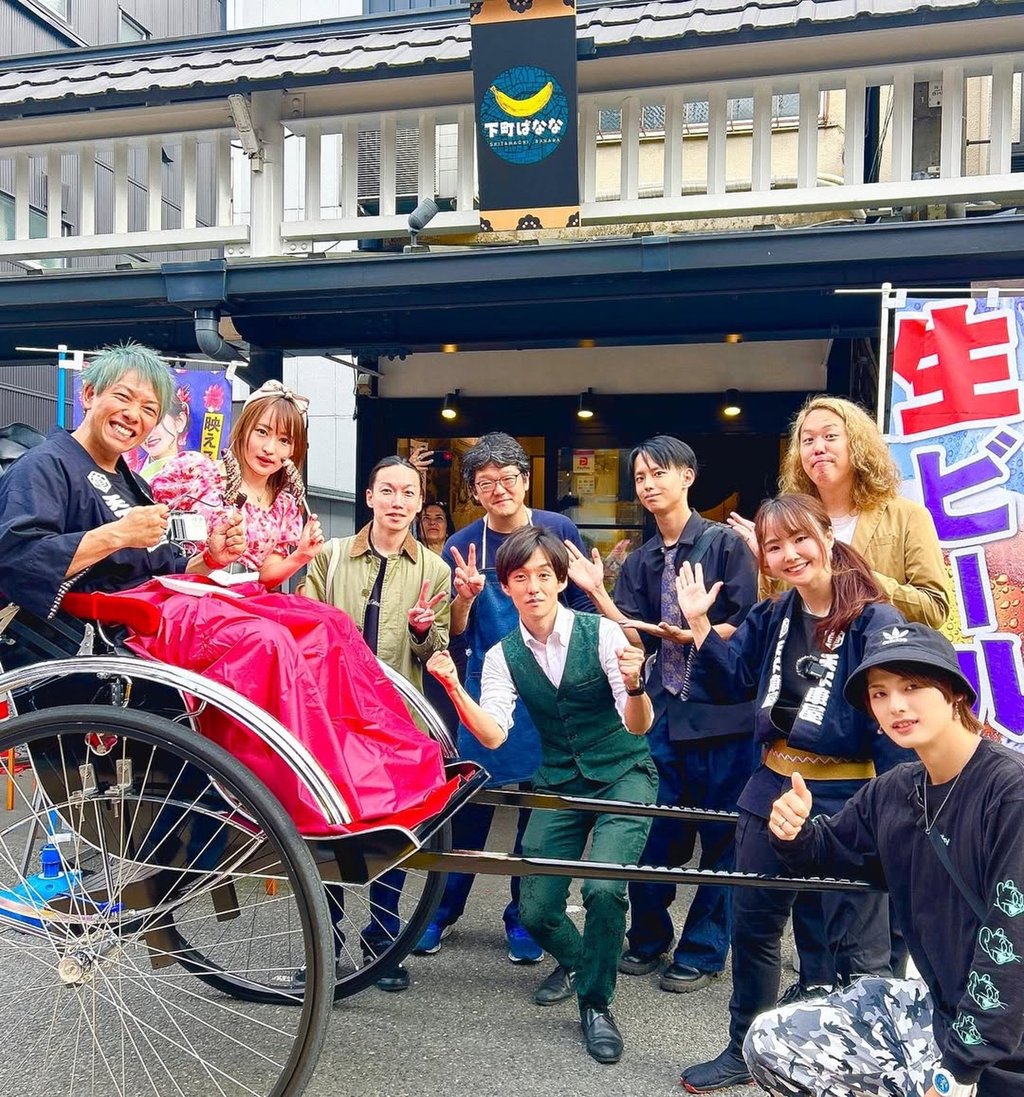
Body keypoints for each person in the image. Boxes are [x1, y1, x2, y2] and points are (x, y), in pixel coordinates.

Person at [0, 343, 446, 841]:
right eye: (124, 399)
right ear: (88, 394)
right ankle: (306, 791)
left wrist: (209, 556)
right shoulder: (46, 466)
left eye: (150, 409)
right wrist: (119, 534)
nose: (136, 417)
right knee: (267, 642)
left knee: (327, 624)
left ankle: (382, 773)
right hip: (125, 620)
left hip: (177, 594)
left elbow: (166, 559)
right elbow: (18, 558)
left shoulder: (126, 479)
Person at [676, 493, 907, 1093]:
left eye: (800, 539)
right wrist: (699, 623)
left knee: (857, 945)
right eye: (774, 547)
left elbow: (893, 722)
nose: (789, 554)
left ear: (827, 536)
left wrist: (901, 815)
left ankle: (864, 1067)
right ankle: (742, 1049)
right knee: (752, 924)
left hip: (847, 795)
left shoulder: (872, 621)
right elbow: (732, 677)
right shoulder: (775, 615)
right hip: (774, 782)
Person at [729, 394, 950, 995]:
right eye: (807, 439)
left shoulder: (902, 515)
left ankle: (856, 1044)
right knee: (771, 911)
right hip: (794, 734)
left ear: (858, 443)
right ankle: (786, 1024)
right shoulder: (782, 526)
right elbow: (775, 630)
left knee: (861, 920)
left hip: (870, 723)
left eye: (830, 435)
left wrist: (852, 580)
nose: (817, 448)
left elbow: (937, 606)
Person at [747, 622, 1024, 1097]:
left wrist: (957, 1073)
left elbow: (1013, 941)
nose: (895, 705)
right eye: (880, 693)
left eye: (912, 686)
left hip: (1006, 1039)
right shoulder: (894, 790)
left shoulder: (1010, 793)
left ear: (956, 692)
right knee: (771, 1042)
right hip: (942, 1009)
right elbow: (832, 851)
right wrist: (793, 832)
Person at [427, 527, 656, 1064]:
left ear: (559, 582)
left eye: (543, 576)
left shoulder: (601, 635)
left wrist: (638, 684)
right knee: (535, 909)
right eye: (520, 578)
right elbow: (494, 735)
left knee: (603, 890)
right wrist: (456, 689)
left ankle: (596, 1004)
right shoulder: (504, 655)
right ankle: (582, 963)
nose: (533, 587)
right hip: (558, 777)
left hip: (624, 769)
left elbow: (639, 725)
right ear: (504, 588)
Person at [566, 435, 758, 994]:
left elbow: (746, 624)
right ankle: (648, 938)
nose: (648, 485)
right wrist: (598, 593)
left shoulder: (725, 544)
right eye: (641, 477)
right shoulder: (643, 556)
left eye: (659, 473)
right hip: (664, 716)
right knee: (652, 836)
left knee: (724, 841)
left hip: (723, 715)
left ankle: (702, 951)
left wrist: (698, 631)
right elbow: (631, 633)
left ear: (688, 476)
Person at [414, 432, 594, 964]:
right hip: (484, 684)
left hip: (548, 688)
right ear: (473, 489)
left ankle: (522, 918)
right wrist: (465, 599)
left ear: (525, 479)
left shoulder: (557, 530)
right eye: (486, 481)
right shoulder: (460, 544)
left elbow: (580, 605)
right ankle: (440, 912)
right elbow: (455, 632)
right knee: (468, 802)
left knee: (535, 809)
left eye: (508, 478)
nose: (499, 489)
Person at [302, 456, 451, 993]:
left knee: (394, 832)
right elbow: (305, 624)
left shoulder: (435, 569)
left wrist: (421, 631)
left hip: (396, 722)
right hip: (331, 719)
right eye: (386, 490)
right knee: (328, 831)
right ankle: (327, 941)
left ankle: (384, 942)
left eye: (407, 493)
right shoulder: (331, 555)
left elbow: (437, 648)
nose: (396, 501)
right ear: (369, 497)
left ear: (417, 502)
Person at [151, 379, 324, 590]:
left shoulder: (284, 507)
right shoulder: (196, 472)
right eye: (262, 432)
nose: (270, 448)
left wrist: (300, 556)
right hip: (183, 591)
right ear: (243, 430)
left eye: (284, 440)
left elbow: (265, 576)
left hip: (243, 603)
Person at [137, 385, 189, 481]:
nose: (148, 434)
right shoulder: (129, 472)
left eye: (155, 422)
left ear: (179, 422)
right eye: (140, 424)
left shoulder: (197, 471)